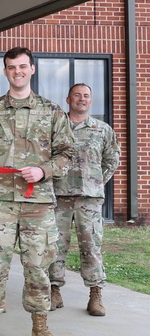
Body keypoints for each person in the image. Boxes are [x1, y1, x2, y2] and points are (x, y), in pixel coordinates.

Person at [0, 46, 75, 336]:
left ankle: (40, 330)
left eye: (23, 66)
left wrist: (43, 169)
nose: (18, 71)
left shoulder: (52, 112)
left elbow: (67, 155)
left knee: (38, 266)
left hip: (37, 203)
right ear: (6, 71)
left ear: (32, 69)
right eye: (12, 67)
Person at [49, 83, 121, 316]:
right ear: (68, 99)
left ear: (91, 101)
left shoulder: (102, 130)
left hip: (88, 199)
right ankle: (54, 290)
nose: (82, 99)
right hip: (58, 195)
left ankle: (95, 294)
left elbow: (112, 159)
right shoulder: (57, 128)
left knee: (91, 246)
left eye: (86, 96)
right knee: (55, 245)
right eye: (77, 95)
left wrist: (96, 182)